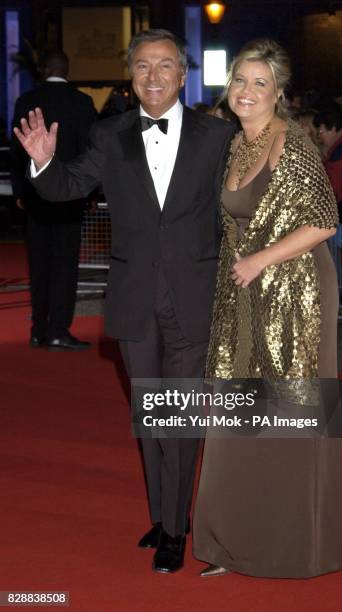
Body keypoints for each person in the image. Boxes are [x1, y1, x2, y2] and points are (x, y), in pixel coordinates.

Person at [14, 29, 235, 574]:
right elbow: (69, 186)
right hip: (135, 295)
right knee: (151, 415)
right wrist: (43, 164)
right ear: (130, 77)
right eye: (142, 67)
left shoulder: (218, 135)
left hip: (194, 293)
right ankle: (161, 514)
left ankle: (177, 530)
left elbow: (242, 205)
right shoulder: (110, 135)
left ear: (182, 76)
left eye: (164, 67)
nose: (152, 77)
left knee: (180, 417)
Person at [193, 39, 342, 578]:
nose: (247, 90)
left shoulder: (292, 144)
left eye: (259, 82)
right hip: (246, 292)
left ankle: (287, 545)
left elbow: (323, 219)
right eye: (240, 80)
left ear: (279, 93)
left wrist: (261, 259)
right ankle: (232, 540)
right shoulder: (238, 143)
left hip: (297, 292)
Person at [10, 51, 98, 350]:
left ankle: (38, 330)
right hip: (70, 196)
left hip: (35, 196)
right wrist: (90, 192)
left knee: (39, 264)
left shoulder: (26, 101)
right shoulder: (82, 103)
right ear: (67, 69)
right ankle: (59, 329)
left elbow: (17, 150)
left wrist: (21, 191)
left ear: (44, 69)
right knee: (64, 265)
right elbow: (91, 152)